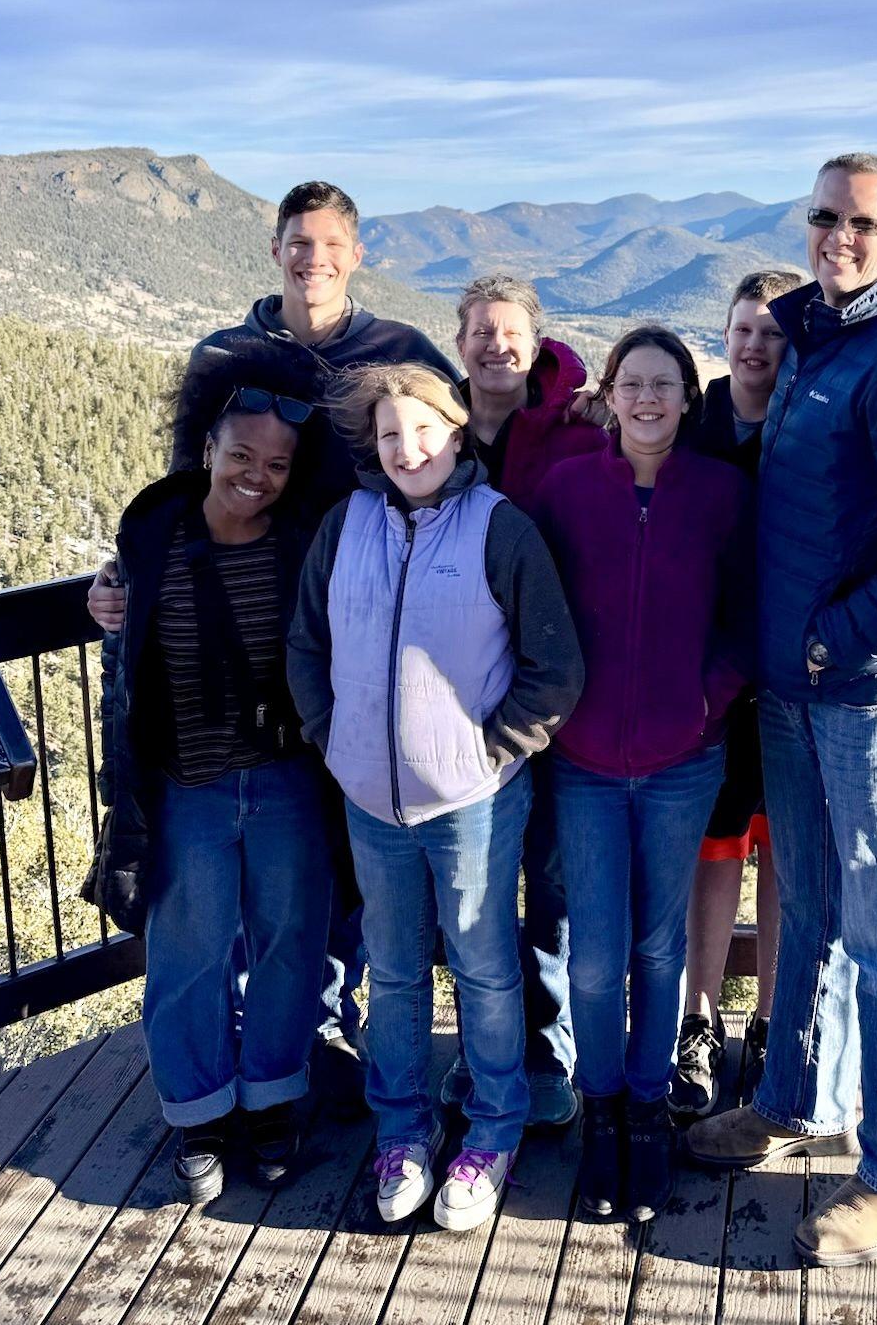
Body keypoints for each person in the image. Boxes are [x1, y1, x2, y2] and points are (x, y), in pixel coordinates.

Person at [86, 180, 456, 1105]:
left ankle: (319, 1034)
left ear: (356, 252)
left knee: (337, 860)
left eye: (331, 243)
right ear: (278, 249)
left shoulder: (400, 352)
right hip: (248, 641)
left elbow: (459, 442)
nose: (314, 258)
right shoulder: (228, 354)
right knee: (249, 885)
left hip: (367, 642)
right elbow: (181, 493)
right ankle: (263, 1069)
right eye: (299, 241)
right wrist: (121, 577)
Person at [686, 153, 877, 1270]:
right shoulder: (816, 335)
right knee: (805, 906)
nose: (838, 237)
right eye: (824, 217)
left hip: (862, 692)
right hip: (795, 690)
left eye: (863, 222)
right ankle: (794, 1097)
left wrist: (827, 638)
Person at [287, 363, 583, 1231]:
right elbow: (307, 642)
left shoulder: (501, 529)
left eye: (423, 429)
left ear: (457, 432)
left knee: (488, 970)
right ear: (373, 446)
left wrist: (486, 754)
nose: (407, 447)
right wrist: (329, 735)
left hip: (474, 804)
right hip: (370, 802)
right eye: (389, 434)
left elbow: (554, 667)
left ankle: (492, 1130)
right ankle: (404, 1131)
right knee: (400, 971)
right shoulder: (345, 525)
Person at [83, 351, 331, 1203]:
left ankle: (270, 1098)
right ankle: (195, 1111)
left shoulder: (308, 538)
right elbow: (126, 629)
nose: (256, 476)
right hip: (184, 782)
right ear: (207, 446)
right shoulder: (153, 533)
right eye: (241, 456)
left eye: (276, 463)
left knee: (290, 942)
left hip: (286, 776)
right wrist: (105, 596)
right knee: (186, 951)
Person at [532, 324, 754, 1224]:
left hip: (683, 758)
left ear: (684, 399)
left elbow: (747, 612)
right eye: (634, 383)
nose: (649, 399)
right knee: (594, 950)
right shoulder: (566, 488)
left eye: (666, 385)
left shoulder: (722, 495)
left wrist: (707, 698)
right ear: (610, 393)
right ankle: (605, 1110)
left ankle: (650, 1110)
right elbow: (529, 606)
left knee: (661, 946)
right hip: (581, 759)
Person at [436, 274, 606, 1131]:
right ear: (459, 342)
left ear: (536, 343)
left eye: (511, 332)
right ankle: (482, 1050)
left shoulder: (580, 429)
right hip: (457, 700)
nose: (496, 345)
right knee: (473, 894)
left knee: (550, 890)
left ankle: (547, 1054)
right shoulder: (433, 430)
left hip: (553, 700)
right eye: (480, 332)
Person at [668, 270, 799, 1126]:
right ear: (724, 337)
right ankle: (699, 1022)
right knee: (713, 859)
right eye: (743, 329)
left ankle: (775, 1025)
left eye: (771, 334)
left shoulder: (810, 425)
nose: (754, 345)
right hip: (712, 680)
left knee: (784, 858)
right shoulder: (693, 426)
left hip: (792, 679)